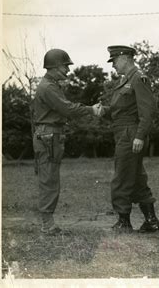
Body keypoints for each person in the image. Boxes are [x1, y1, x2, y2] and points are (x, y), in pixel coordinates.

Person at [32, 49, 101, 235]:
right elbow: (67, 109)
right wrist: (91, 110)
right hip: (49, 137)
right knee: (49, 180)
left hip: (49, 136)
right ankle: (47, 224)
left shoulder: (51, 85)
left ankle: (48, 222)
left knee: (50, 178)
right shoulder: (49, 87)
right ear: (54, 67)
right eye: (65, 66)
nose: (68, 70)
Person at [100, 45, 159, 233]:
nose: (113, 66)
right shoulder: (126, 80)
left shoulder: (138, 79)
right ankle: (151, 221)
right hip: (125, 133)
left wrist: (140, 136)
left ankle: (124, 221)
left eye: (115, 61)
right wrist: (104, 111)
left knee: (122, 178)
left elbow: (147, 110)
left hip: (131, 135)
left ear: (126, 58)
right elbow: (121, 111)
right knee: (136, 179)